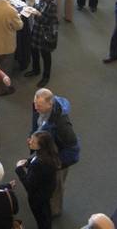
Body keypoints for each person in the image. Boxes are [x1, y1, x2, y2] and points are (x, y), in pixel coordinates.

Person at [31, 89, 80, 217]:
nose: (35, 107)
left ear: (50, 104)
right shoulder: (39, 108)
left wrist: (55, 163)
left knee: (56, 186)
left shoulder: (62, 125)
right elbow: (37, 125)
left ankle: (54, 210)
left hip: (58, 161)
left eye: (39, 105)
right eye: (35, 103)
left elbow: (73, 150)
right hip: (47, 153)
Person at [15, 131, 60, 229]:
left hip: (37, 197)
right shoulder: (49, 154)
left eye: (33, 141)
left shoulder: (39, 163)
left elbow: (29, 185)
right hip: (46, 192)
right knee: (46, 213)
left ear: (41, 146)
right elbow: (36, 161)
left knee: (41, 218)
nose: (29, 142)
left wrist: (19, 169)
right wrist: (28, 162)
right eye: (31, 138)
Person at [25, 0, 59, 88]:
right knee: (34, 50)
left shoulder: (52, 4)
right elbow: (36, 10)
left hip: (45, 33)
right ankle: (36, 70)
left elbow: (48, 20)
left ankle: (46, 76)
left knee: (45, 55)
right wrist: (32, 10)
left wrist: (37, 14)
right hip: (36, 30)